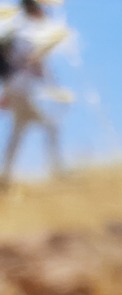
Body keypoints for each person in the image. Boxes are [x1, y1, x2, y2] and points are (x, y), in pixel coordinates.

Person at [0, 0, 65, 187]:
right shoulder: (26, 33)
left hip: (18, 90)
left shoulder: (19, 31)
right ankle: (58, 171)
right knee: (51, 126)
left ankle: (5, 177)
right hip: (22, 90)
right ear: (34, 9)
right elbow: (27, 60)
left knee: (18, 133)